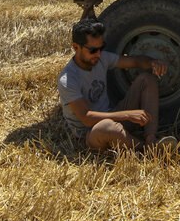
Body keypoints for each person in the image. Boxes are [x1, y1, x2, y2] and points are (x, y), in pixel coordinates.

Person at [57, 18, 169, 151]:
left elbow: (134, 62)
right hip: (91, 133)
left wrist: (152, 62)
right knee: (107, 128)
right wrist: (127, 115)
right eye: (93, 50)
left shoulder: (101, 58)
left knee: (147, 79)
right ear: (76, 47)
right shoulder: (68, 79)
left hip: (111, 116)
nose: (98, 54)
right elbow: (86, 118)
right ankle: (148, 150)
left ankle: (151, 138)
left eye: (101, 48)